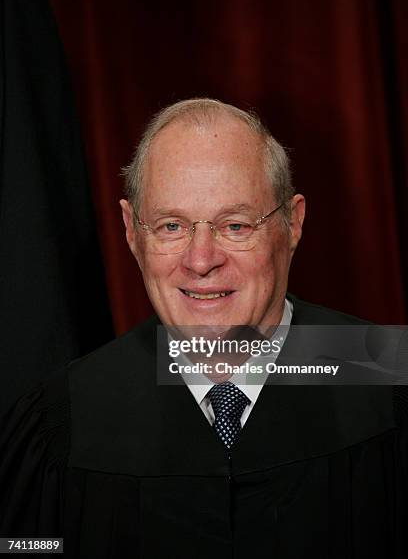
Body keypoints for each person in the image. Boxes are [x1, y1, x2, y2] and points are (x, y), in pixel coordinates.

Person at [0, 98, 407, 558]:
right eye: (170, 226)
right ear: (132, 233)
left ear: (292, 224)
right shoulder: (63, 421)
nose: (201, 260)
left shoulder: (386, 380)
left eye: (235, 225)